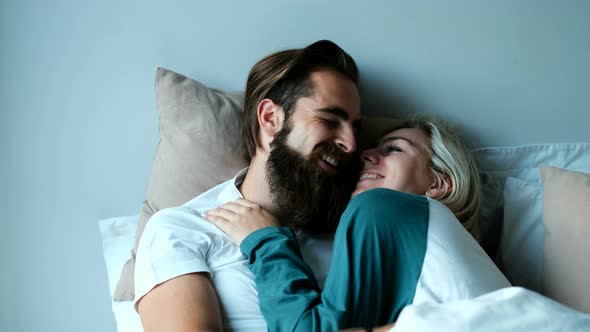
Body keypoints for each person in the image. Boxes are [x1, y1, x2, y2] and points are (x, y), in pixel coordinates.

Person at [134, 40, 366, 331]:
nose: (351, 144)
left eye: (356, 128)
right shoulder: (182, 229)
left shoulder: (350, 235)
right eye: (330, 120)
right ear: (271, 118)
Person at [206, 117, 512, 331]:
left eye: (393, 149)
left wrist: (266, 240)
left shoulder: (381, 206)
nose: (365, 154)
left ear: (439, 182)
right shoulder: (445, 246)